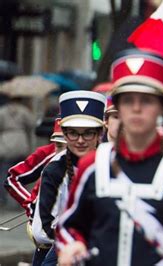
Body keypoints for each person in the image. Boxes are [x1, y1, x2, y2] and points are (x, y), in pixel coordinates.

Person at [56, 49, 163, 265]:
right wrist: (73, 244)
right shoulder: (93, 166)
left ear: (161, 107)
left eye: (146, 100)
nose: (136, 108)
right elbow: (69, 226)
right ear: (117, 107)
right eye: (127, 100)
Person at [32, 91, 106, 266]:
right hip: (65, 247)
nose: (80, 141)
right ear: (64, 135)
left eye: (88, 133)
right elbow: (42, 229)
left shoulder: (114, 163)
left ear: (99, 134)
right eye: (73, 133)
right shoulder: (54, 168)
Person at [3, 118, 66, 266]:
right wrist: (31, 203)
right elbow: (13, 179)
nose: (63, 152)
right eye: (58, 145)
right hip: (47, 237)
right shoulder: (49, 155)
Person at [0, 95, 35, 206]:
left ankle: (3, 198)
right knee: (22, 172)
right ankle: (21, 198)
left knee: (4, 170)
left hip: (6, 140)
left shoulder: (2, 111)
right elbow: (32, 124)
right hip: (21, 140)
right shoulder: (24, 110)